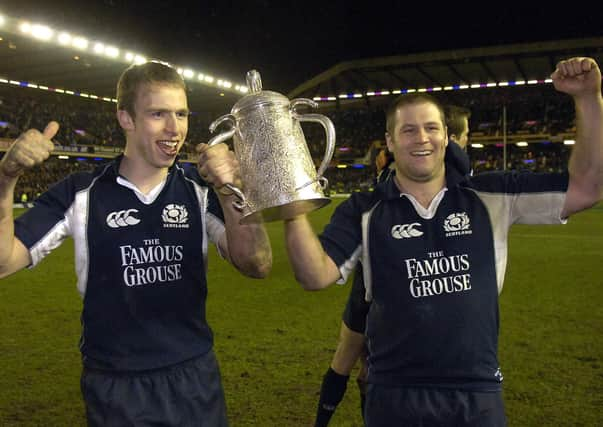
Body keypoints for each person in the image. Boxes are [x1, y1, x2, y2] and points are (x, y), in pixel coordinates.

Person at [286, 57, 602, 426]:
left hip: (476, 393)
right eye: (408, 130)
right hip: (393, 394)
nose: (421, 138)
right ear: (389, 140)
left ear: (446, 137)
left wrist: (588, 98)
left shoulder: (490, 194)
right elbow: (315, 275)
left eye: (431, 128)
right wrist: (292, 212)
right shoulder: (364, 209)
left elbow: (588, 187)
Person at [0, 61, 272, 426]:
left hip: (193, 376)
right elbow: (4, 262)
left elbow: (257, 264)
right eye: (158, 114)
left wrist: (229, 190)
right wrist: (6, 177)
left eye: (181, 114)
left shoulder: (199, 191)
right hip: (116, 384)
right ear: (125, 118)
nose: (175, 128)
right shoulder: (81, 192)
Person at [314, 139, 471, 427]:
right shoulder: (418, 180)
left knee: (353, 365)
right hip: (386, 292)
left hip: (373, 289)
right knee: (361, 366)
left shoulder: (394, 180)